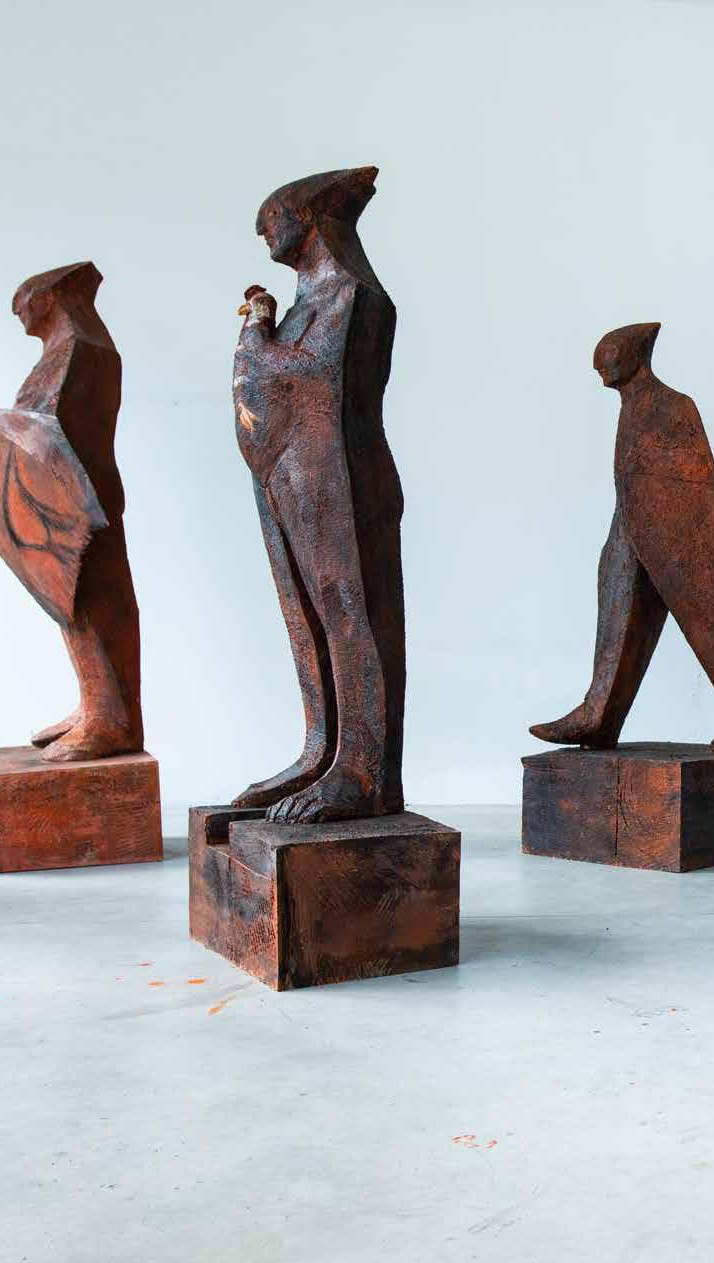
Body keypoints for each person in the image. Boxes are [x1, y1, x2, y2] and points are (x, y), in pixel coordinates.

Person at [231, 167, 405, 823]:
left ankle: (363, 771)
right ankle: (321, 752)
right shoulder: (307, 302)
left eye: (271, 219)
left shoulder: (350, 293)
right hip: (291, 472)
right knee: (306, 615)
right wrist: (265, 329)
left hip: (341, 477)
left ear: (307, 219)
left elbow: (313, 379)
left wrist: (256, 334)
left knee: (349, 615)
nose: (263, 232)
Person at [531, 321, 714, 754]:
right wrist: (622, 537)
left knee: (709, 605)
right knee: (618, 601)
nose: (601, 367)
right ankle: (599, 714)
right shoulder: (633, 409)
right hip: (634, 527)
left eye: (609, 355)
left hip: (677, 530)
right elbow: (634, 483)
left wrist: (663, 533)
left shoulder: (674, 407)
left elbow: (688, 488)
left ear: (635, 357)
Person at [9, 262, 143, 761]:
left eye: (23, 298)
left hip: (80, 499)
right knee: (75, 604)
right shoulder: (71, 349)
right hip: (70, 496)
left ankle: (112, 718)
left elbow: (60, 427)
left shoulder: (80, 349)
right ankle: (97, 705)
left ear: (50, 297)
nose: (19, 311)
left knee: (92, 600)